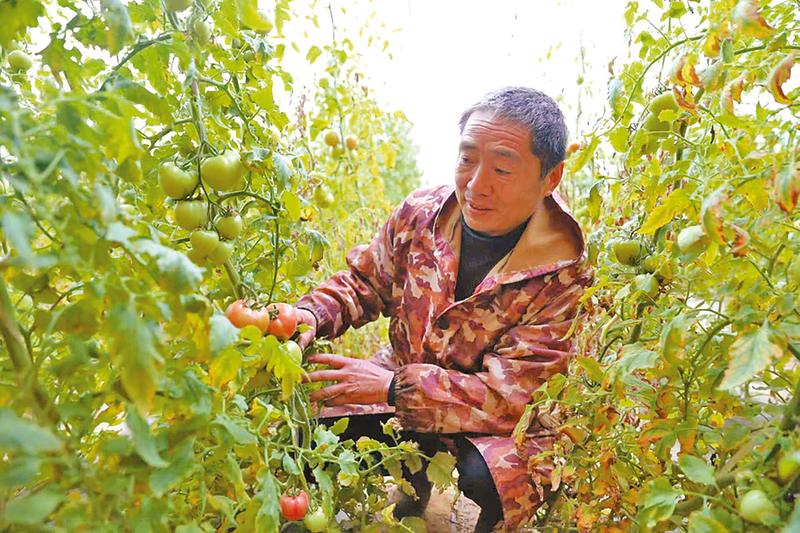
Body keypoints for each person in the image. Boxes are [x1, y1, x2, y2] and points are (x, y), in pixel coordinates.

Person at [292, 86, 593, 532]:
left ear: (550, 179)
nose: (476, 184)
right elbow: (365, 282)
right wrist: (311, 314)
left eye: (503, 169)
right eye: (467, 159)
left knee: (496, 477)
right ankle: (412, 478)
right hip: (401, 376)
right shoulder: (422, 214)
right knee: (309, 423)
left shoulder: (565, 273)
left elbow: (513, 398)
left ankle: (488, 520)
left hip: (496, 423)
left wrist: (393, 389)